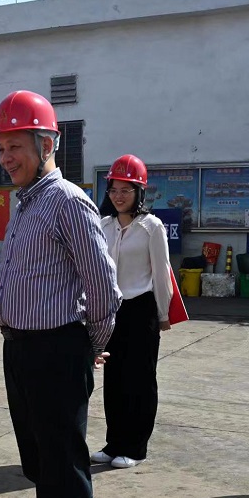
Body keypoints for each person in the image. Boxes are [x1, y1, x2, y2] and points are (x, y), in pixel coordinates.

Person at [0, 91, 122, 498]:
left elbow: (104, 288)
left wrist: (86, 350)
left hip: (56, 352)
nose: (6, 158)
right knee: (42, 468)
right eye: (2, 148)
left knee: (65, 472)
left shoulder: (68, 201)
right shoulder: (25, 202)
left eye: (16, 147)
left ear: (47, 144)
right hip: (21, 350)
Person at [94, 154, 173, 469]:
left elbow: (162, 272)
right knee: (114, 378)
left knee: (139, 380)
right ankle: (114, 443)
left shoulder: (151, 227)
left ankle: (135, 447)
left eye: (126, 190)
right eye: (114, 190)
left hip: (141, 310)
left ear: (139, 192)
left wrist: (164, 314)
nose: (118, 196)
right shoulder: (104, 226)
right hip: (112, 310)